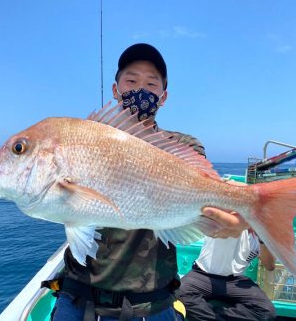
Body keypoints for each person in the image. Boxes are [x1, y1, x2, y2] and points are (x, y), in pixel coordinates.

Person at [50, 43, 248, 321]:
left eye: (151, 83)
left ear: (163, 96)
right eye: (131, 80)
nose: (140, 88)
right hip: (78, 300)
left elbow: (203, 207)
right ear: (115, 90)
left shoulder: (183, 146)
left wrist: (234, 220)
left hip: (151, 307)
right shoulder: (85, 141)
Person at [176, 229, 277, 321]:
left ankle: (215, 316)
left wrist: (263, 240)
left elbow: (270, 266)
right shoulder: (229, 219)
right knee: (178, 292)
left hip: (236, 280)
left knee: (267, 312)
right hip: (203, 274)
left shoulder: (262, 233)